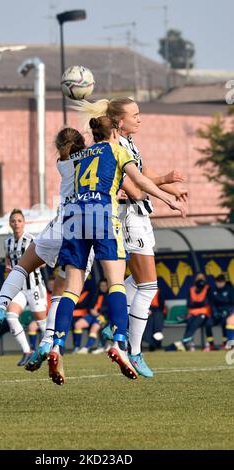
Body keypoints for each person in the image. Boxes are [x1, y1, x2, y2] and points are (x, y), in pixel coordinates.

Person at [48, 116, 185, 385]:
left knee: (72, 288)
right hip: (101, 214)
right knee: (115, 285)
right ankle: (119, 342)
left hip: (74, 216)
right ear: (113, 133)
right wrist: (168, 198)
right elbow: (140, 183)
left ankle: (56, 346)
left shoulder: (81, 154)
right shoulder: (118, 149)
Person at [0, 129, 93, 371]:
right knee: (65, 293)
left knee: (22, 265)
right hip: (85, 231)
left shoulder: (62, 163)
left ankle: (0, 308)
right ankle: (49, 342)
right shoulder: (96, 159)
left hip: (61, 224)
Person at [2, 209, 47, 366]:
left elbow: (44, 261)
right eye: (13, 221)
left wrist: (29, 266)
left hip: (34, 286)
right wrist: (9, 267)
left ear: (24, 223)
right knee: (11, 316)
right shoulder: (7, 242)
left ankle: (53, 349)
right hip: (18, 287)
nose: (16, 224)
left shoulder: (31, 240)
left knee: (41, 322)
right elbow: (7, 260)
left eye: (19, 221)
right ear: (10, 223)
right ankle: (27, 351)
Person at [165, 273, 211, 351]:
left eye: (202, 278)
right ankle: (186, 345)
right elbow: (189, 303)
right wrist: (198, 304)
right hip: (192, 313)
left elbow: (206, 302)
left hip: (204, 313)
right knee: (190, 323)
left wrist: (196, 304)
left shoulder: (208, 288)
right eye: (198, 278)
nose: (200, 280)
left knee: (193, 325)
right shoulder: (191, 289)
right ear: (195, 279)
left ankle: (182, 343)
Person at [204, 274, 234, 351]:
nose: (219, 284)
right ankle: (211, 345)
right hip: (216, 312)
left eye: (221, 282)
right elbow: (211, 303)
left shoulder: (230, 289)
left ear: (224, 282)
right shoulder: (212, 289)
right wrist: (215, 312)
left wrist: (227, 311)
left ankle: (225, 343)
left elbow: (232, 303)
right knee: (208, 324)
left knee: (225, 323)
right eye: (218, 282)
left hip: (227, 312)